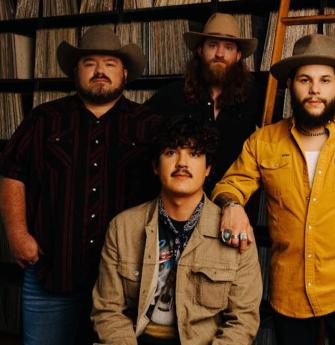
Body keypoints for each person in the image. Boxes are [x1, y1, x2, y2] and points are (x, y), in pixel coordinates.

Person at [212, 33, 335, 345]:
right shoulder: (263, 141)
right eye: (305, 80)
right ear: (290, 84)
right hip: (288, 292)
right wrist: (232, 206)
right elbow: (230, 185)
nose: (315, 90)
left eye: (325, 80)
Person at [0, 27, 161, 345]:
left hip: (124, 282)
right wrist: (17, 234)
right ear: (76, 71)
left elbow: (174, 187)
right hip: (52, 270)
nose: (100, 71)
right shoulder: (43, 119)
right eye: (90, 62)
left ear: (124, 73)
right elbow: (11, 172)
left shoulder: (150, 125)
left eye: (110, 63)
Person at [92, 115, 262, 345]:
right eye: (171, 152)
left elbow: (243, 321)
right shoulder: (123, 227)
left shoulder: (234, 230)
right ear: (155, 166)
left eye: (194, 154)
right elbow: (107, 311)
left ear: (208, 169)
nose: (182, 163)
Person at [145, 12, 262, 194]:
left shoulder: (255, 96)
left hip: (234, 207)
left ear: (239, 55)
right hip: (180, 206)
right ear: (200, 50)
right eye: (213, 45)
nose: (220, 54)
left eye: (229, 47)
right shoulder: (172, 94)